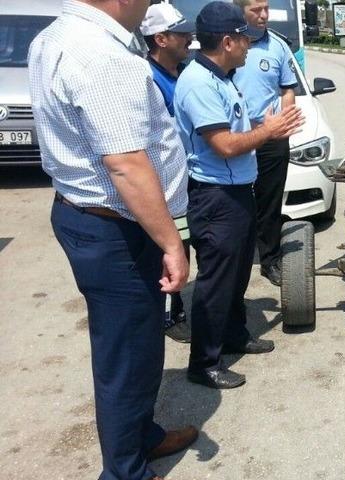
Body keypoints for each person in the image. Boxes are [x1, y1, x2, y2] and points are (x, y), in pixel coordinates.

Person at [28, 0, 198, 478]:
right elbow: (125, 163)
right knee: (125, 354)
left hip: (93, 218)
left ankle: (141, 436)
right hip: (117, 227)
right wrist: (171, 243)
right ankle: (125, 472)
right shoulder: (102, 56)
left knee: (139, 343)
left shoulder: (56, 36)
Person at [174, 1, 303, 390]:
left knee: (235, 274)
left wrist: (264, 125)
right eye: (244, 39)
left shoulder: (222, 77)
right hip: (216, 197)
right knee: (215, 281)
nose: (250, 44)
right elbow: (226, 145)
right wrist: (271, 130)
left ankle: (233, 335)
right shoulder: (198, 83)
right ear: (227, 41)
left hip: (235, 191)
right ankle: (204, 362)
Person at [232, 0, 300, 287]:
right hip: (233, 137)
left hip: (270, 136)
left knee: (269, 201)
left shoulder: (278, 47)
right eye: (255, 10)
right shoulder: (227, 45)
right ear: (240, 12)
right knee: (234, 202)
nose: (263, 15)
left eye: (265, 9)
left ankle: (270, 259)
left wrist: (283, 120)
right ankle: (235, 259)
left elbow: (287, 89)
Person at [141, 2, 196, 343]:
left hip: (191, 178)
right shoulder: (147, 78)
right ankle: (169, 314)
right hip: (163, 182)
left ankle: (178, 306)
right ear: (160, 39)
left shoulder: (185, 71)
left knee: (187, 242)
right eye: (181, 34)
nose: (189, 38)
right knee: (171, 246)